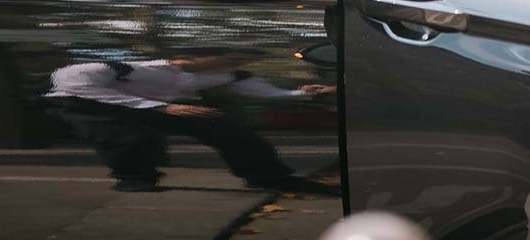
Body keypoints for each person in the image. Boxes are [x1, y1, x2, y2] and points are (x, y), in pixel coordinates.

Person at [46, 52, 335, 193]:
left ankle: (267, 175)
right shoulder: (120, 68)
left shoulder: (229, 75)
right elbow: (70, 83)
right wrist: (165, 106)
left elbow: (269, 93)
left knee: (224, 126)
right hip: (85, 103)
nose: (222, 66)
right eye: (217, 60)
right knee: (128, 137)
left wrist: (304, 93)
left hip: (157, 107)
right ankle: (135, 180)